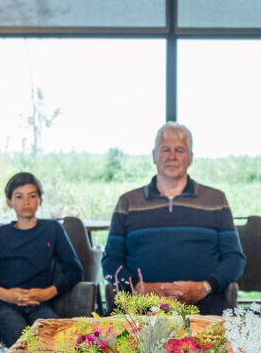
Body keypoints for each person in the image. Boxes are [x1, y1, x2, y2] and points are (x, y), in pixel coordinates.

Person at [98, 123, 245, 314]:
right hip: (139, 308)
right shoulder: (128, 202)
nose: (172, 156)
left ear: (190, 157)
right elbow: (110, 261)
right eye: (165, 149)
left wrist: (205, 287)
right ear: (154, 155)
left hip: (205, 305)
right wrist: (137, 287)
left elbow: (235, 259)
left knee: (236, 341)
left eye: (180, 150)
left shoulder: (216, 200)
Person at [0, 172, 83, 347]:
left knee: (58, 341)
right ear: (9, 202)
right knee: (22, 342)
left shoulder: (53, 230)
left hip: (39, 304)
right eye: (19, 197)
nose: (26, 202)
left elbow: (75, 271)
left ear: (40, 200)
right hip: (2, 306)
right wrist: (4, 294)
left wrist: (48, 292)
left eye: (32, 196)